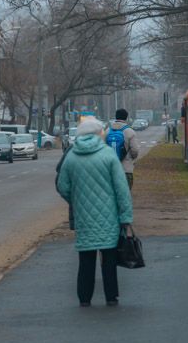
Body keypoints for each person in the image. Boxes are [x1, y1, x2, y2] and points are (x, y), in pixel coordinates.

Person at [56, 119, 133, 307]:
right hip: (109, 217)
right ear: (99, 133)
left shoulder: (72, 156)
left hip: (84, 218)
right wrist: (125, 216)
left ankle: (84, 298)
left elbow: (62, 186)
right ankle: (111, 297)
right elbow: (121, 189)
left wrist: (76, 201)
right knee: (109, 259)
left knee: (86, 259)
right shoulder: (108, 155)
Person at [105, 108, 141, 189]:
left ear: (116, 117)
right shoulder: (130, 132)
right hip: (125, 170)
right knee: (125, 197)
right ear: (126, 118)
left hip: (110, 170)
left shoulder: (107, 131)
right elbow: (135, 150)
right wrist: (132, 159)